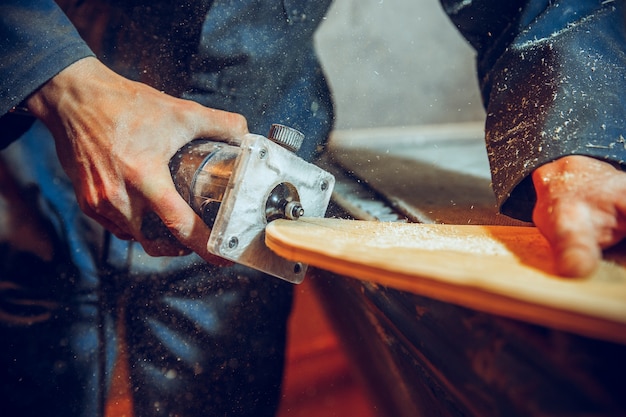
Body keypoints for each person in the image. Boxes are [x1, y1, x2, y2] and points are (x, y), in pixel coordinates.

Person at [0, 0, 624, 416]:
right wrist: (57, 76)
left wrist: (579, 140)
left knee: (213, 373)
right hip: (33, 107)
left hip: (258, 100)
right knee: (40, 339)